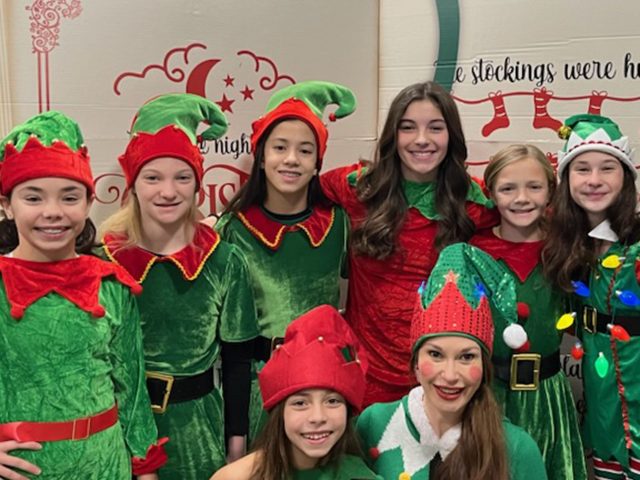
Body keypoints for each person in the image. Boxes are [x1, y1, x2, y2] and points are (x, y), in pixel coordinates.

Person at [100, 94, 258, 479]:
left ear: (198, 185)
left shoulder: (224, 261)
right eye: (153, 178)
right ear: (133, 185)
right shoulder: (102, 264)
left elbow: (238, 362)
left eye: (182, 178)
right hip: (118, 431)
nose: (168, 192)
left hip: (198, 431)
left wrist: (236, 444)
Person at [0, 111, 165, 479]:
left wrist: (145, 469)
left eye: (69, 197)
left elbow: (132, 391)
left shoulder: (112, 285)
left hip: (107, 465)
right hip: (24, 469)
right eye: (33, 198)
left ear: (89, 202)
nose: (53, 212)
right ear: (7, 205)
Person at [320, 81, 497, 406]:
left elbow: (537, 210)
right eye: (408, 127)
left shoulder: (474, 201)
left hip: (444, 383)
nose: (421, 139)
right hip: (367, 380)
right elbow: (288, 190)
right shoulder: (358, 188)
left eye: (435, 128)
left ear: (452, 135)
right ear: (393, 135)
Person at [216, 81, 354, 439]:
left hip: (324, 385)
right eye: (280, 147)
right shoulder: (233, 229)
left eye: (305, 151)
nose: (291, 159)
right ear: (261, 157)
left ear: (317, 163)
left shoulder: (338, 223)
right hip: (259, 388)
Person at [357, 243, 547, 479]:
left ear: (484, 367)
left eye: (466, 357)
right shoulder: (373, 424)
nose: (449, 375)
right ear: (415, 363)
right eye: (435, 355)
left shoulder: (518, 449)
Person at [470, 144, 586, 479]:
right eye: (508, 188)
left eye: (534, 187)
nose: (522, 198)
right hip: (487, 395)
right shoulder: (473, 251)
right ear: (490, 193)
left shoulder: (566, 249)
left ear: (550, 190)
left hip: (547, 396)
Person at [542, 114, 640, 479]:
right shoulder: (571, 244)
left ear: (625, 177)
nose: (594, 180)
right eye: (582, 169)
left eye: (607, 168)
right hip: (602, 398)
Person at [211, 304, 382, 480]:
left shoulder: (359, 476)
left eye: (332, 401)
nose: (318, 417)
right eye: (300, 403)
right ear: (280, 413)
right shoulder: (235, 477)